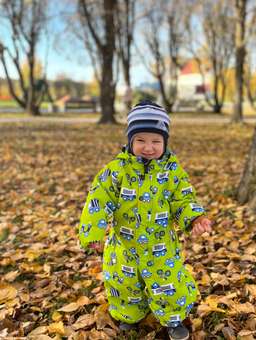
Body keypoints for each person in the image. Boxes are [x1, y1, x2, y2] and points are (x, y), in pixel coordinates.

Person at [78, 100, 212, 340]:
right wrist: (93, 234)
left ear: (165, 142)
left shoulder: (171, 171)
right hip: (125, 245)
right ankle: (129, 315)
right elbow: (97, 200)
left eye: (156, 141)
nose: (148, 147)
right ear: (130, 141)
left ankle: (173, 318)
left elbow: (182, 198)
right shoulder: (116, 170)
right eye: (140, 140)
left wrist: (194, 218)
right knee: (124, 283)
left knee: (168, 282)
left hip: (160, 244)